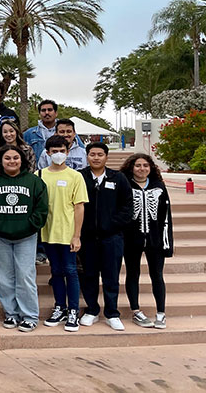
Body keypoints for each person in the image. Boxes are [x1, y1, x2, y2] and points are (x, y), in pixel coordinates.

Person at [0, 145, 48, 333]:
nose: (12, 161)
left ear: (22, 160)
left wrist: (29, 226)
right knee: (4, 277)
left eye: (16, 158)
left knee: (25, 276)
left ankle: (30, 316)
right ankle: (11, 313)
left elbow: (41, 209)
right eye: (8, 158)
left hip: (26, 236)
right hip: (1, 236)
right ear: (1, 161)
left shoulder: (34, 181)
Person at [78, 142, 133, 331]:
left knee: (111, 276)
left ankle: (112, 313)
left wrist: (111, 225)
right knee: (89, 275)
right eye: (92, 154)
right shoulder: (80, 177)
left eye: (100, 154)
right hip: (87, 237)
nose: (96, 157)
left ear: (106, 157)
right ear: (87, 156)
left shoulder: (118, 178)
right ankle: (92, 310)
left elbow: (127, 207)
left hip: (112, 237)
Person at [38, 135, 88, 332]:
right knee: (56, 271)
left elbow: (79, 207)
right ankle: (60, 307)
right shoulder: (39, 175)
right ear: (48, 153)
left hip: (67, 233)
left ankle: (73, 310)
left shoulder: (75, 176)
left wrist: (76, 235)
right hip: (48, 233)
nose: (58, 154)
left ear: (67, 152)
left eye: (61, 151)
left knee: (71, 270)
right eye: (54, 151)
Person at [120, 153, 174, 330]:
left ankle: (161, 313)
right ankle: (136, 310)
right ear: (131, 167)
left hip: (155, 240)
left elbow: (166, 217)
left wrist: (166, 243)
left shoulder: (159, 187)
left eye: (145, 165)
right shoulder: (124, 185)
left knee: (157, 275)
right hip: (131, 239)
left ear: (151, 168)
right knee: (133, 274)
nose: (141, 169)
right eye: (137, 165)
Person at [23, 100, 84, 167]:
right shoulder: (29, 134)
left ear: (56, 113)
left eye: (50, 110)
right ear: (39, 114)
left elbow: (80, 151)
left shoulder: (68, 132)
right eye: (43, 110)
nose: (46, 113)